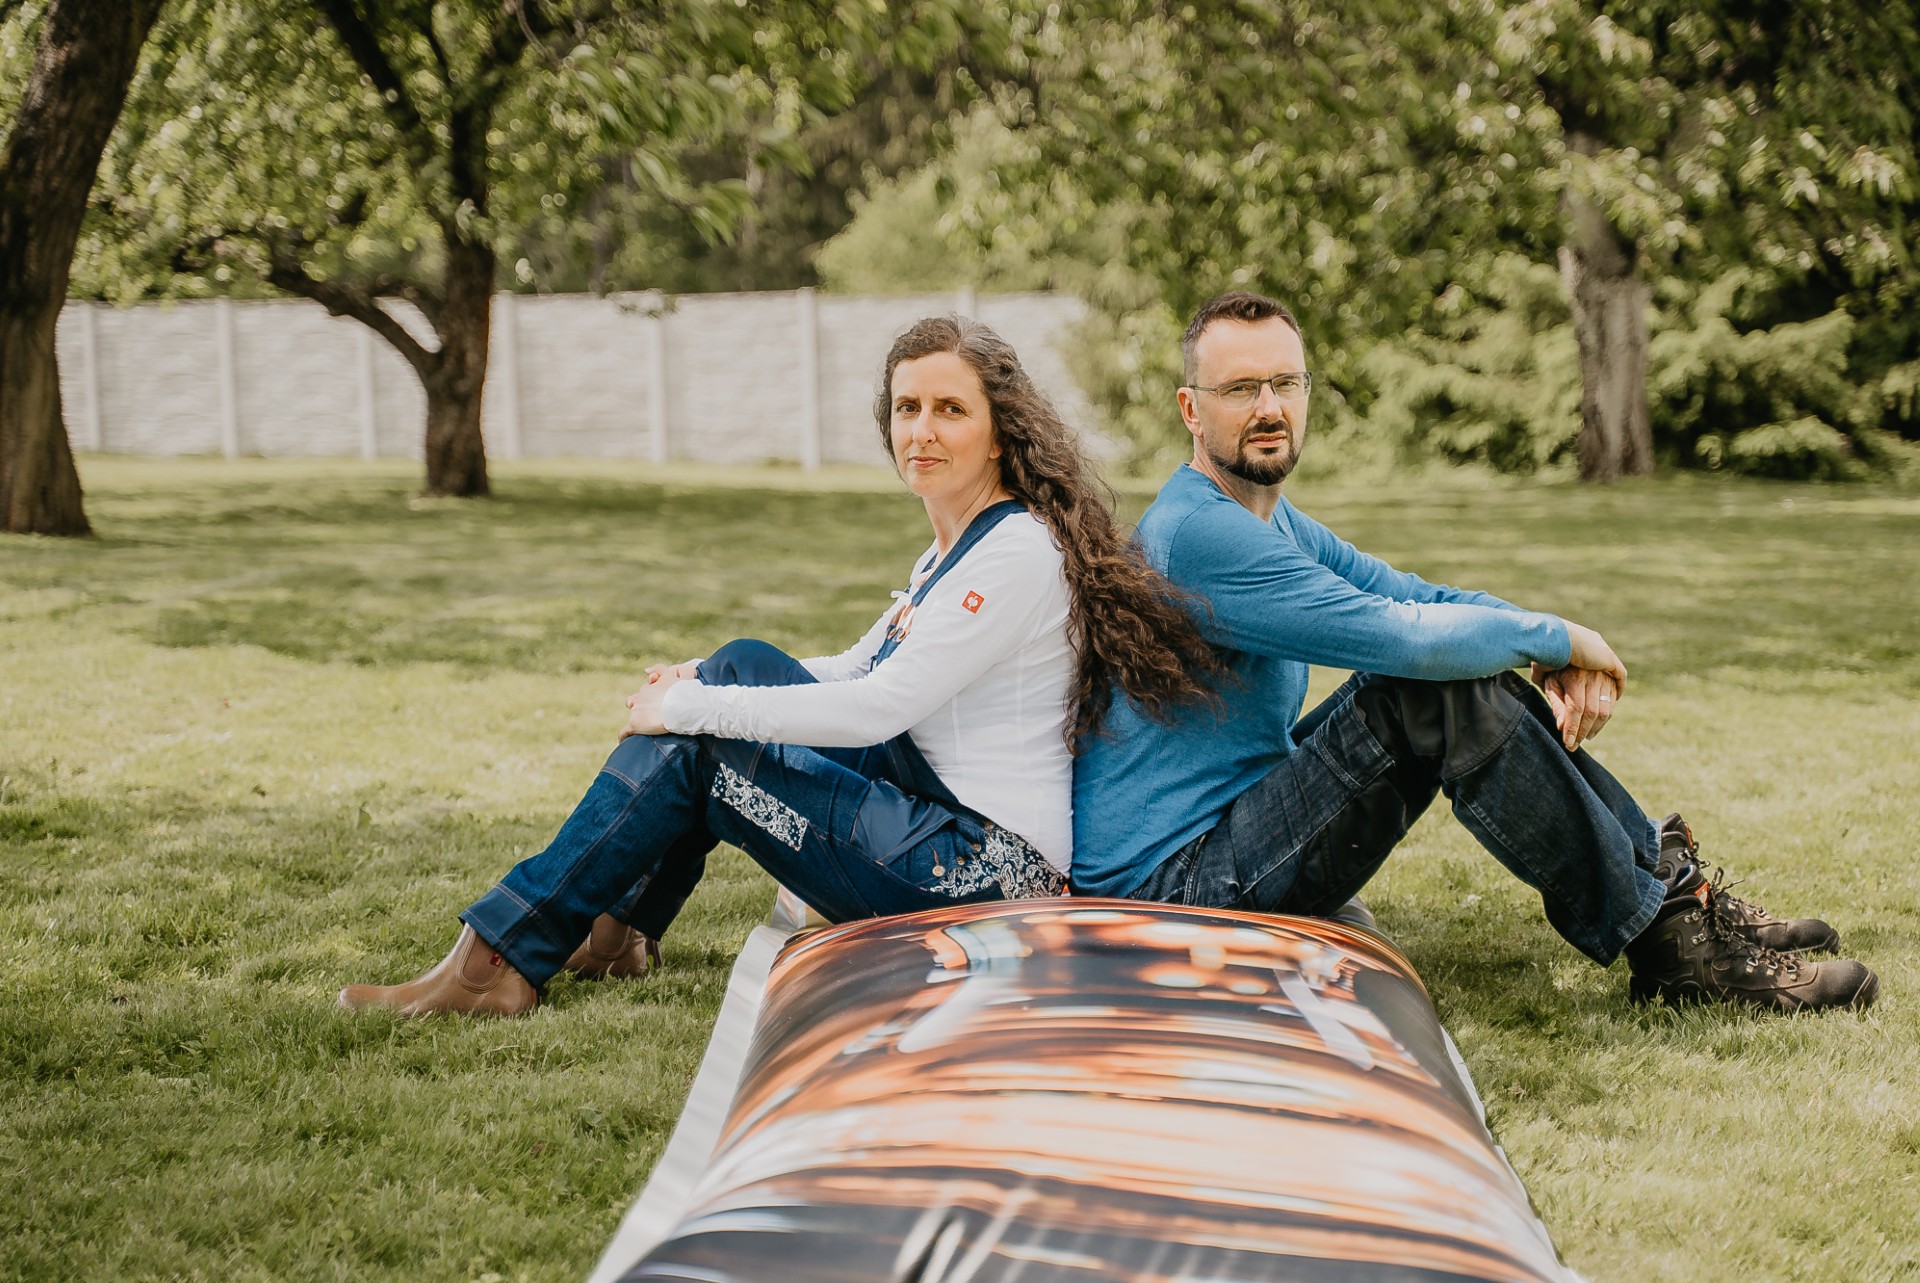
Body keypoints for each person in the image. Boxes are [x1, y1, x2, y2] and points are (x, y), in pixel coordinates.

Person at [341, 316, 1215, 1017]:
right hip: (937, 810)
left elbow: (878, 707)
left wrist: (692, 712)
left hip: (985, 873)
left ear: (998, 432)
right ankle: (613, 934)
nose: (922, 429)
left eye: (950, 409)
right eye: (907, 408)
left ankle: (501, 957)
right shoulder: (955, 547)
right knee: (740, 665)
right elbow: (857, 664)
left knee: (705, 747)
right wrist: (698, 679)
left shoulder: (1015, 552)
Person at [1072, 291, 1877, 1014]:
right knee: (1428, 688)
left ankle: (1675, 896)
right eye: (1241, 388)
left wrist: (1540, 633)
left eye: (1286, 382)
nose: (1269, 406)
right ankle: (1673, 940)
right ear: (1191, 409)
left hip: (1227, 830)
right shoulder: (1198, 536)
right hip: (1174, 889)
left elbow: (1412, 595)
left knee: (1439, 679)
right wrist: (1560, 640)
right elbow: (1399, 635)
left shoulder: (1267, 517)